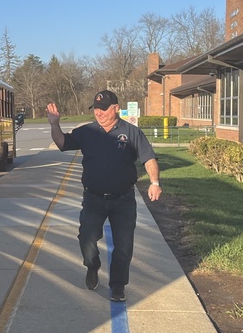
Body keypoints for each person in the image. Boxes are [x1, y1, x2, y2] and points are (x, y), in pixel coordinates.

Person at [46, 90, 161, 303]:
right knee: (87, 239)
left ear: (116, 108)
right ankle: (92, 265)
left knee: (123, 246)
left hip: (123, 200)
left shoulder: (131, 132)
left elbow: (149, 158)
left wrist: (154, 183)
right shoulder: (87, 132)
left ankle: (118, 286)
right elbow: (62, 143)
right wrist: (54, 124)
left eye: (104, 108)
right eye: (96, 109)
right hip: (94, 199)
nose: (99, 113)